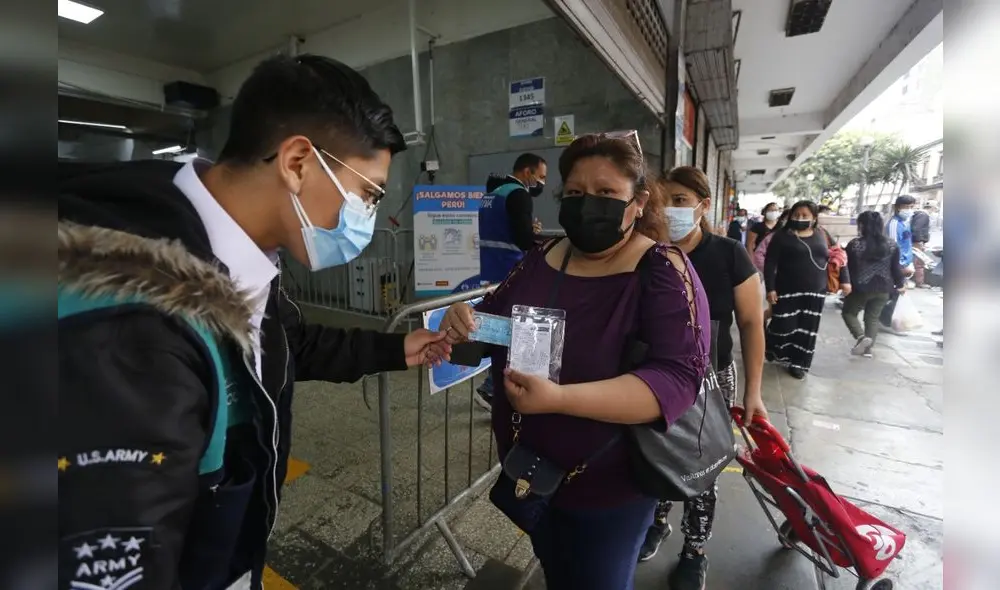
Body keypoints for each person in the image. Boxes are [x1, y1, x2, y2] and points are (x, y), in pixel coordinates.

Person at [57, 54, 451, 590]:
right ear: (296, 163)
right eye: (370, 193)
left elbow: (287, 343)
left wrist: (397, 349)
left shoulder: (227, 244)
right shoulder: (136, 334)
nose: (370, 215)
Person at [439, 133, 710, 590]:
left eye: (607, 193)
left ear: (639, 202)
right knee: (558, 569)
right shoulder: (542, 257)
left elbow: (676, 378)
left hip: (609, 490)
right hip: (532, 472)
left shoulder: (664, 271)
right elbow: (493, 324)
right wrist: (463, 321)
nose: (589, 206)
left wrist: (560, 399)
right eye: (576, 193)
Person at [637, 167, 768, 588]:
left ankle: (695, 550)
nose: (670, 210)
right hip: (655, 377)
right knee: (655, 455)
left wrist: (754, 392)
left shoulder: (729, 254)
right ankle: (657, 522)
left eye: (679, 200)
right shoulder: (646, 252)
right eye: (664, 201)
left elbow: (751, 324)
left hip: (712, 379)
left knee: (702, 465)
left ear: (702, 205)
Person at [475, 153, 548, 408]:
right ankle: (490, 389)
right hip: (512, 271)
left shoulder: (492, 195)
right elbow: (523, 240)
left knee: (501, 331)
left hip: (490, 271)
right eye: (541, 177)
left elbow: (503, 229)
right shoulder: (518, 195)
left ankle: (491, 386)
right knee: (514, 334)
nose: (542, 183)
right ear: (527, 172)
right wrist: (545, 243)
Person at [764, 201, 851, 379]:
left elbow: (839, 256)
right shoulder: (782, 236)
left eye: (805, 216)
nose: (800, 218)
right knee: (783, 325)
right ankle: (773, 345)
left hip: (815, 291)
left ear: (814, 218)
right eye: (796, 215)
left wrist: (845, 280)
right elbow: (770, 262)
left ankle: (799, 363)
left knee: (807, 329)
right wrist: (770, 288)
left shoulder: (822, 234)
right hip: (787, 290)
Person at [841, 211, 905, 358]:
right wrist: (900, 284)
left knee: (849, 313)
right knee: (872, 318)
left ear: (861, 225)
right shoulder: (892, 244)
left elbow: (848, 267)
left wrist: (845, 284)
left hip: (860, 288)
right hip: (884, 288)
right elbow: (896, 268)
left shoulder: (855, 244)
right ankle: (867, 350)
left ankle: (861, 338)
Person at [879, 195, 917, 331]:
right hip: (896, 266)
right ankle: (884, 322)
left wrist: (909, 263)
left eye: (911, 207)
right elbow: (893, 249)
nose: (909, 210)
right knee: (894, 293)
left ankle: (887, 322)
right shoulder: (894, 224)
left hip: (904, 264)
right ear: (897, 207)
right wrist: (900, 267)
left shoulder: (904, 223)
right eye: (906, 207)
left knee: (896, 294)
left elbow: (906, 245)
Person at [910, 203, 932, 288]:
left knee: (914, 261)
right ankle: (919, 282)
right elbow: (916, 229)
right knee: (919, 262)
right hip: (917, 242)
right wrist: (920, 241)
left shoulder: (917, 214)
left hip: (914, 241)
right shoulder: (923, 215)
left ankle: (913, 280)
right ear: (932, 208)